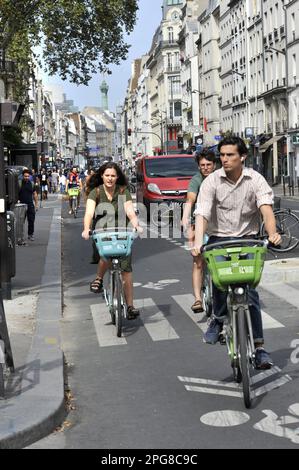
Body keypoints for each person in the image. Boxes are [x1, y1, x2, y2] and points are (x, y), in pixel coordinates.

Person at [192, 136, 282, 370]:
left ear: (242, 156)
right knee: (220, 283)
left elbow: (266, 210)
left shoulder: (256, 179)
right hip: (219, 238)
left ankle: (260, 348)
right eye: (222, 155)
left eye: (230, 155)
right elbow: (201, 213)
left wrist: (272, 234)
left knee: (250, 292)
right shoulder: (211, 181)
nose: (225, 159)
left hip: (248, 240)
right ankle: (218, 320)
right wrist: (197, 243)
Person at [82, 162, 142, 320]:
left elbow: (129, 211)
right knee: (105, 256)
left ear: (117, 177)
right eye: (107, 175)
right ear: (102, 176)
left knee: (126, 269)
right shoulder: (95, 192)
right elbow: (89, 213)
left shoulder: (123, 190)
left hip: (122, 231)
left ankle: (130, 306)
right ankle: (99, 278)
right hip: (101, 232)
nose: (110, 178)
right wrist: (86, 228)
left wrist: (136, 225)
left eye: (113, 176)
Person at [181, 149, 216, 313]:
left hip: (219, 225)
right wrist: (185, 218)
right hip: (199, 223)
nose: (206, 168)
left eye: (208, 164)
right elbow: (190, 199)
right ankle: (197, 299)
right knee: (198, 261)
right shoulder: (196, 180)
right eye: (202, 165)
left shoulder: (220, 178)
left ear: (214, 165)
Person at [19, 169, 39, 241]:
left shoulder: (32, 183)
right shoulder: (19, 183)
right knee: (21, 221)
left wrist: (36, 205)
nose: (26, 177)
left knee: (31, 220)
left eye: (28, 176)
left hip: (30, 204)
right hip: (21, 205)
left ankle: (30, 234)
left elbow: (35, 194)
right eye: (25, 176)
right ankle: (20, 236)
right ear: (22, 176)